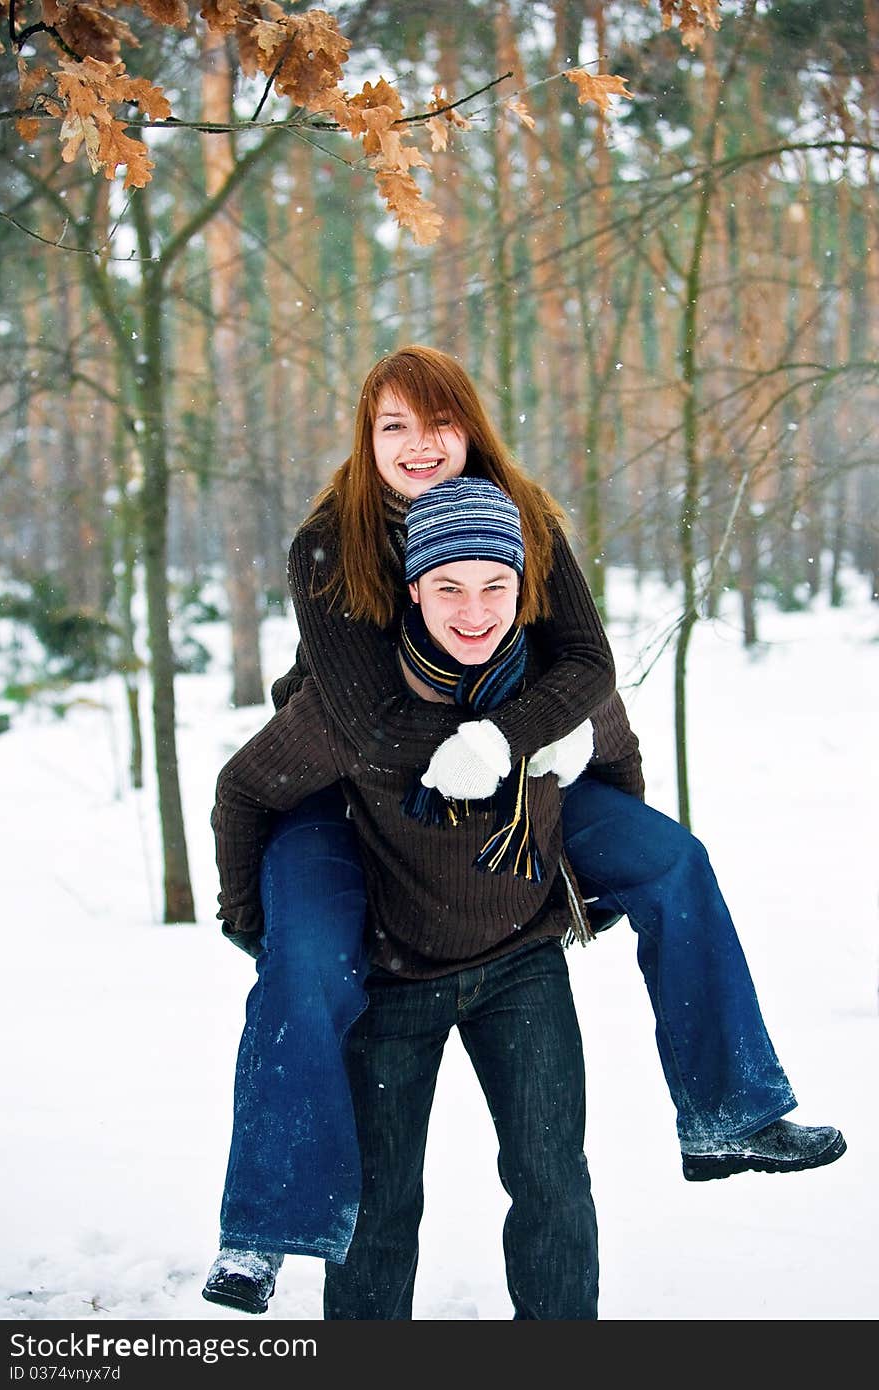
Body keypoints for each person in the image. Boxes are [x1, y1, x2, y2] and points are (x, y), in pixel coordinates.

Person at [203, 345, 845, 1316]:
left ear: (472, 426)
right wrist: (505, 739)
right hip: (347, 783)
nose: (421, 446)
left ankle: (730, 1112)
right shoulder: (330, 545)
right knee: (304, 965)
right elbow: (372, 722)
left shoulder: (525, 517)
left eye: (440, 423)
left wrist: (537, 738)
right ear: (365, 438)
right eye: (394, 427)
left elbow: (588, 662)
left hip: (521, 766)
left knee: (674, 861)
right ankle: (266, 1227)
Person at [207, 478, 601, 1319]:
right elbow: (244, 790)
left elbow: (621, 766)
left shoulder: (555, 693)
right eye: (449, 587)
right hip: (394, 975)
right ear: (412, 589)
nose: (474, 611)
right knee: (380, 1213)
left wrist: (590, 898)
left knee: (552, 1185)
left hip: (521, 969)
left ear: (524, 591)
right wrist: (254, 926)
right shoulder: (354, 707)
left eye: (496, 586)